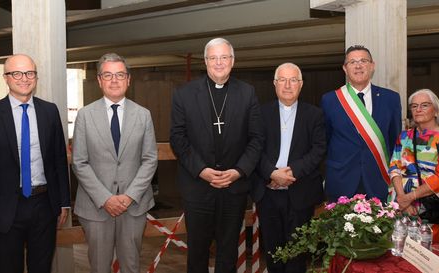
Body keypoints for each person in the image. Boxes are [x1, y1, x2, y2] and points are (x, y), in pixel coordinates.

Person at [170, 37, 263, 273]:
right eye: (214, 58)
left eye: (224, 57)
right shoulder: (184, 94)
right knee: (198, 252)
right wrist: (202, 170)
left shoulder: (247, 92)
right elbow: (178, 139)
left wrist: (238, 171)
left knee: (228, 252)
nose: (219, 62)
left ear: (232, 61)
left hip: (233, 189)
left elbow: (256, 138)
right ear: (205, 61)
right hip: (197, 188)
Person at [0, 54, 70, 273]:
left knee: (42, 268)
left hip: (44, 205)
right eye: (17, 73)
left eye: (29, 73)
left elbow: (59, 161)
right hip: (5, 210)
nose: (24, 78)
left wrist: (63, 201)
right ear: (6, 77)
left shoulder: (49, 111)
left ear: (35, 76)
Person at [72, 53, 157, 273]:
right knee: (100, 266)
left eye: (120, 75)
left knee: (131, 265)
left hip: (134, 205)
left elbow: (149, 160)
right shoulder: (85, 115)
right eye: (108, 75)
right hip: (96, 207)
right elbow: (80, 162)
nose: (114, 80)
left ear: (128, 79)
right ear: (99, 80)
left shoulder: (143, 115)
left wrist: (129, 196)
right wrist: (105, 198)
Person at [251, 63, 326, 273]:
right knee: (273, 253)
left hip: (300, 193)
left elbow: (318, 150)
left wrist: (291, 172)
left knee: (297, 255)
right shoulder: (260, 113)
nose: (287, 85)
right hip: (268, 193)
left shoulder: (314, 114)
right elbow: (254, 148)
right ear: (275, 84)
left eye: (293, 80)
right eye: (282, 80)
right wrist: (272, 173)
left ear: (301, 85)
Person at [321, 45, 402, 202]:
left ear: (372, 66)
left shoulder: (390, 99)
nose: (358, 66)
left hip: (378, 179)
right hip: (341, 180)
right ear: (345, 68)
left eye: (363, 61)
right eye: (352, 62)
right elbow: (326, 139)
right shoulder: (330, 100)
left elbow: (395, 142)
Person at [389, 88, 439, 242]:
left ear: (436, 110)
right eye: (414, 106)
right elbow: (394, 167)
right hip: (402, 207)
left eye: (424, 105)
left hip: (434, 209)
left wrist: (409, 197)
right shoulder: (404, 136)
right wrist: (403, 199)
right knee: (400, 255)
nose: (418, 109)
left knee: (433, 257)